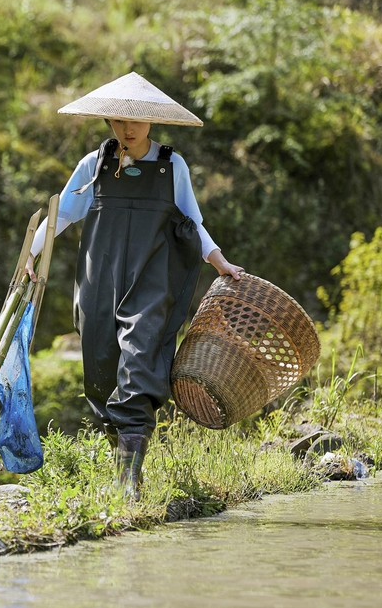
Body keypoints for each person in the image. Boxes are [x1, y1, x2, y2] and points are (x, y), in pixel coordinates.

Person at [25, 72, 243, 500]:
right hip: (99, 281)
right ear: (109, 122)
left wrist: (218, 261)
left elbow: (191, 221)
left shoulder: (171, 166)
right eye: (121, 120)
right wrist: (31, 252)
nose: (129, 128)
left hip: (150, 282)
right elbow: (62, 215)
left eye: (137, 120)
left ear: (151, 121)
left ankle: (130, 486)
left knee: (140, 365)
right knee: (101, 373)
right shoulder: (94, 165)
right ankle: (122, 463)